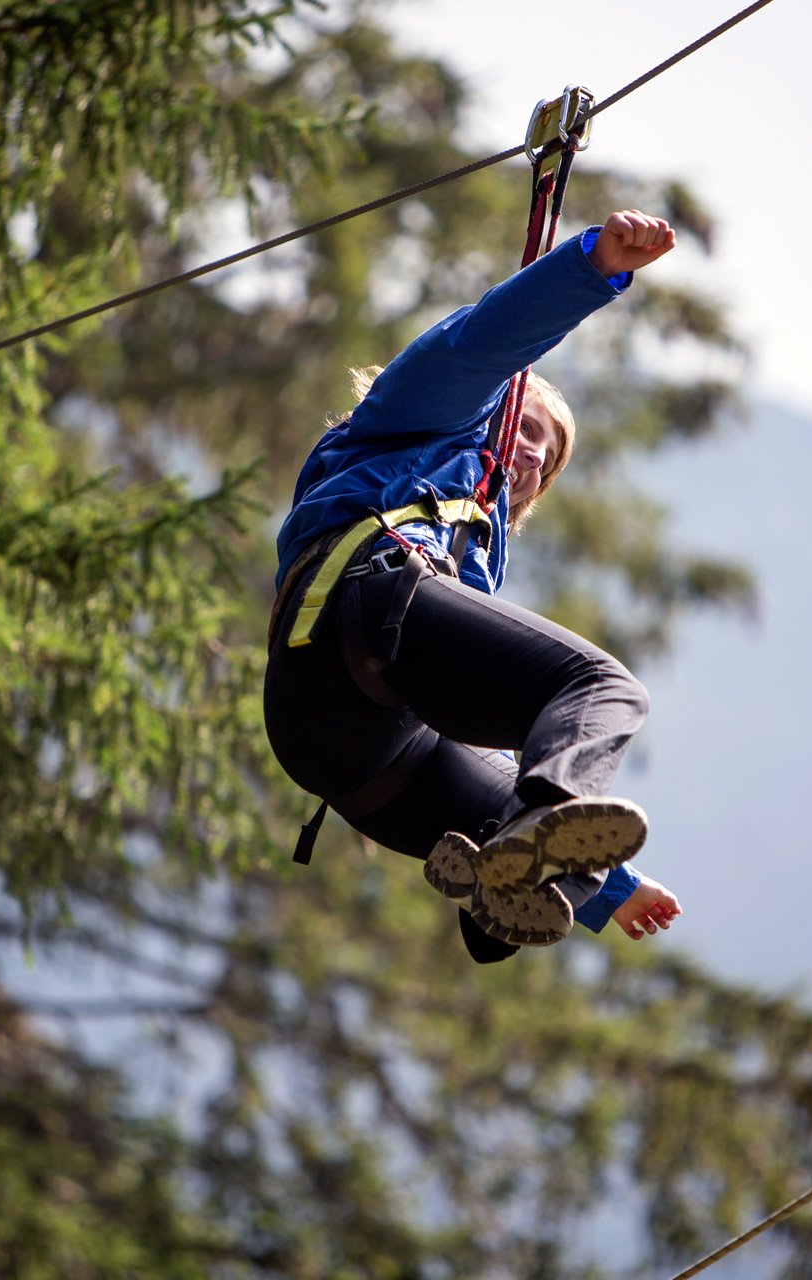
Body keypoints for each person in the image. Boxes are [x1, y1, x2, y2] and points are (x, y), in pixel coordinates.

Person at [264, 209, 684, 964]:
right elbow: (485, 342)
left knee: (544, 833)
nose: (529, 454)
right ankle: (524, 843)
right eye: (525, 428)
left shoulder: (474, 559)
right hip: (359, 602)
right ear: (493, 413)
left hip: (346, 747)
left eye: (546, 457)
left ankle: (500, 889)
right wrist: (590, 265)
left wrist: (616, 889)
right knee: (604, 691)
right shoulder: (413, 422)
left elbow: (465, 732)